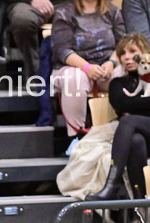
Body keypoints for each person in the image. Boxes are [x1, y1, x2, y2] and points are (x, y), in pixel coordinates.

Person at [87, 34, 150, 200]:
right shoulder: (117, 83)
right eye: (122, 54)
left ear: (145, 52)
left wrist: (136, 108)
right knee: (135, 140)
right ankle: (140, 202)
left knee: (128, 120)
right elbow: (122, 104)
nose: (127, 57)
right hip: (140, 139)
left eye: (132, 51)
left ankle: (111, 186)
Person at [49, 0, 125, 142]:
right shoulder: (64, 12)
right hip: (74, 66)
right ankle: (76, 137)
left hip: (106, 67)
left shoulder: (112, 11)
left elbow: (123, 44)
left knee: (125, 73)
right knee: (74, 78)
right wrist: (86, 67)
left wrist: (112, 63)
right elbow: (62, 50)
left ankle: (123, 132)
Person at [0, 0, 55, 79]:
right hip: (27, 4)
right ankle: (35, 75)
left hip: (62, 3)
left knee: (66, 15)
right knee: (23, 18)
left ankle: (64, 71)